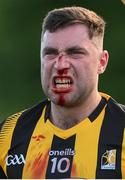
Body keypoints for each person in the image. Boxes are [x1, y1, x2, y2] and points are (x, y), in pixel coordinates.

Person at [0, 6, 125, 179]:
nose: (60, 65)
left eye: (75, 53)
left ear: (102, 62)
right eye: (50, 53)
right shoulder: (8, 134)